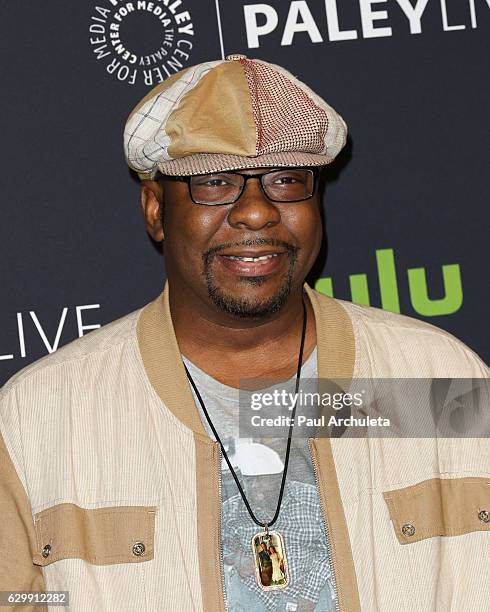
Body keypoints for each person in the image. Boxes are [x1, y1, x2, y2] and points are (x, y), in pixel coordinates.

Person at [0, 54, 488, 612]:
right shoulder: (42, 414)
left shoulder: (436, 381)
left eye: (286, 180)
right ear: (156, 208)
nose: (256, 212)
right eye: (215, 183)